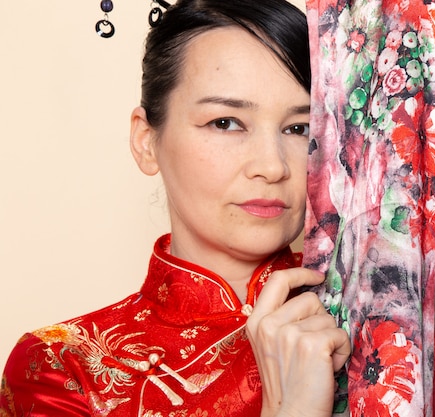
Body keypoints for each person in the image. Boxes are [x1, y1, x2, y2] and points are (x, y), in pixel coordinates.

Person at [0, 1, 350, 416]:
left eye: (299, 128)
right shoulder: (65, 367)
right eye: (225, 122)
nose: (272, 166)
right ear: (146, 141)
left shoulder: (376, 306)